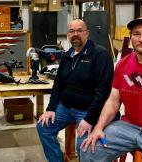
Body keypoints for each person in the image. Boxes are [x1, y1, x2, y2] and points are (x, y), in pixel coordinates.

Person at [80, 16, 142, 162]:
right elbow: (113, 101)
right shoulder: (123, 63)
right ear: (131, 38)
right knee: (89, 150)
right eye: (136, 34)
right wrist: (99, 127)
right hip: (128, 126)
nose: (141, 39)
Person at [36, 19, 115, 162]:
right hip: (65, 108)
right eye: (72, 31)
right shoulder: (67, 55)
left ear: (87, 33)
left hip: (88, 111)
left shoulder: (100, 55)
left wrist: (89, 119)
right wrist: (51, 108)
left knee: (84, 148)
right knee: (43, 127)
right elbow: (58, 84)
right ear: (68, 35)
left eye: (79, 30)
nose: (75, 34)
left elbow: (103, 92)